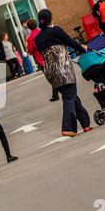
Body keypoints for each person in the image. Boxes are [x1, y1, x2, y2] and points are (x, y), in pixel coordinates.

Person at [34, 9, 92, 137]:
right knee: (69, 97)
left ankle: (85, 124)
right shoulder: (56, 30)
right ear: (51, 19)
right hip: (63, 69)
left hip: (50, 72)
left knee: (71, 96)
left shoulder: (38, 38)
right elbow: (71, 42)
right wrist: (83, 49)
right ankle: (67, 128)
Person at [26, 18, 60, 102]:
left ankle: (56, 94)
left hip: (42, 60)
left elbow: (30, 52)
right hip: (51, 56)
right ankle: (55, 94)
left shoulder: (30, 38)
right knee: (56, 73)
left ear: (29, 28)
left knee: (51, 77)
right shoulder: (42, 32)